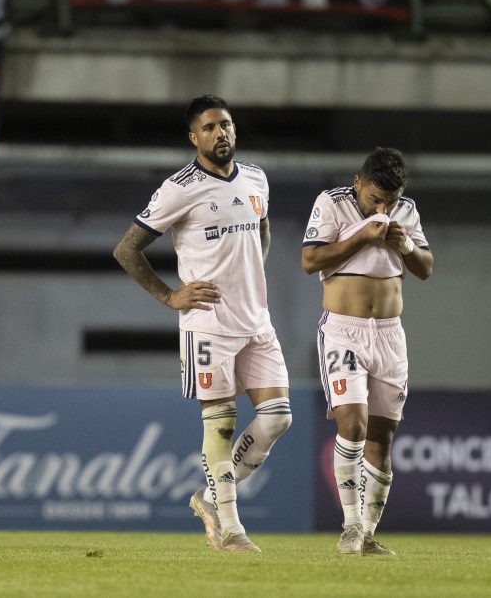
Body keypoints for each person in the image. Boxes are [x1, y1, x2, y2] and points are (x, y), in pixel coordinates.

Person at [113, 94, 292, 553]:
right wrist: (169, 296)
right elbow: (127, 249)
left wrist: (252, 273)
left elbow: (263, 227)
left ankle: (210, 498)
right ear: (194, 137)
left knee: (277, 418)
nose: (221, 133)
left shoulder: (256, 178)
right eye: (210, 127)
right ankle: (231, 530)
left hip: (256, 320)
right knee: (222, 424)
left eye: (227, 124)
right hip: (208, 323)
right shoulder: (180, 187)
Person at [301, 147, 433, 556]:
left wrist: (406, 246)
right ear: (358, 183)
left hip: (390, 335)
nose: (383, 207)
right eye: (375, 199)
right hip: (344, 331)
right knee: (352, 423)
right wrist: (362, 235)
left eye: (389, 201)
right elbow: (309, 260)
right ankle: (351, 526)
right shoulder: (332, 203)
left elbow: (426, 267)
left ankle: (369, 534)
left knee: (382, 437)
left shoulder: (406, 212)